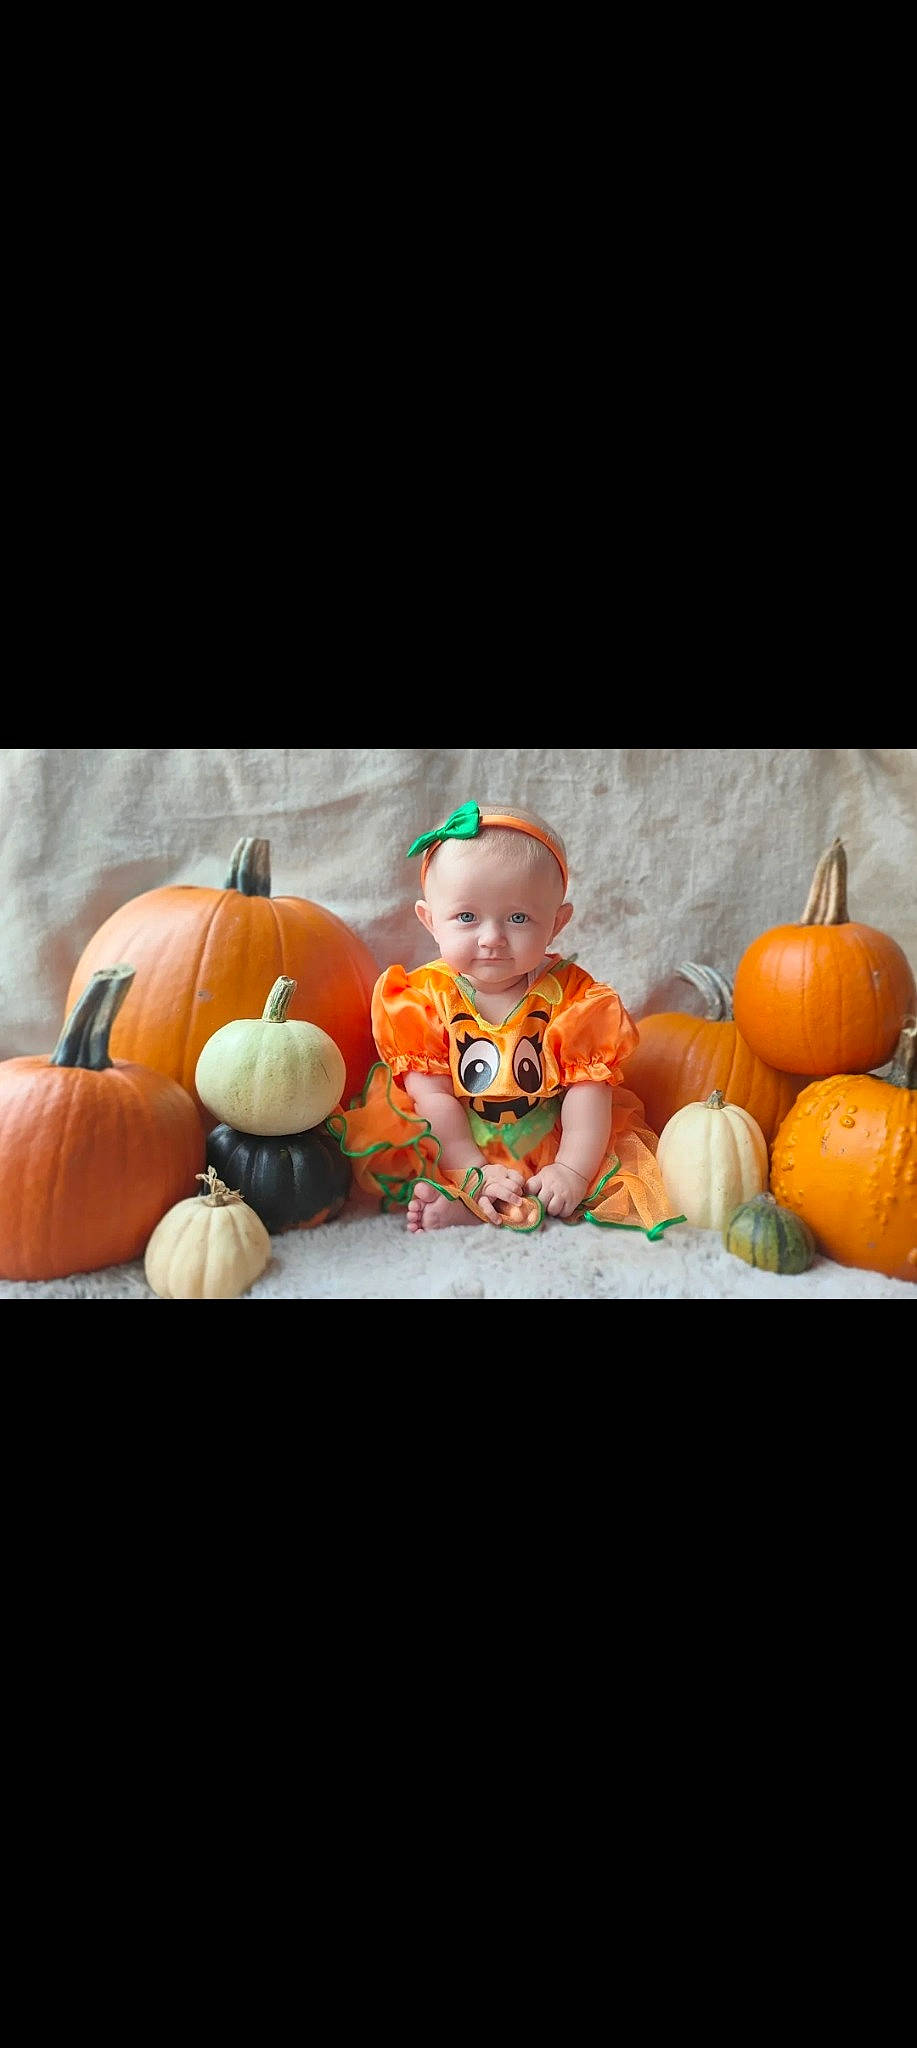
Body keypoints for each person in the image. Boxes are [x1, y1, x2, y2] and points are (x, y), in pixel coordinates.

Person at [326, 800, 683, 1237]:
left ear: (556, 923)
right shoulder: (421, 1000)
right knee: (422, 1141)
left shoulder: (574, 998)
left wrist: (572, 1169)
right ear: (430, 920)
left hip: (548, 1139)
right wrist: (473, 1171)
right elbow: (432, 1098)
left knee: (586, 1167)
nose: (492, 938)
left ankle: (536, 1192)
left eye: (518, 918)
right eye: (467, 917)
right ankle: (465, 1197)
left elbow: (588, 1092)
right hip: (454, 1140)